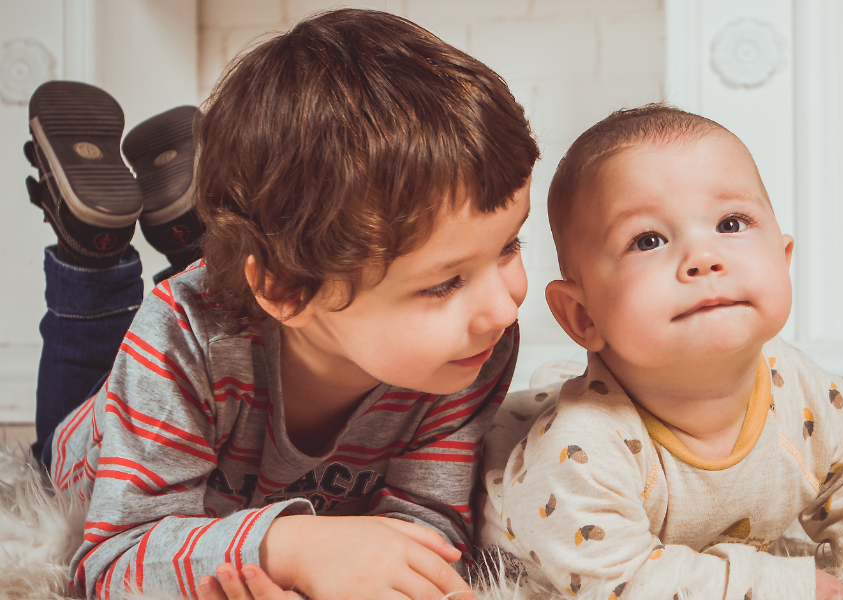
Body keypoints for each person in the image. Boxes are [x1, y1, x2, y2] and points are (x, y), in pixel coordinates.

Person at [24, 8, 538, 600]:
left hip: (243, 334)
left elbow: (429, 524)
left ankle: (204, 231)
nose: (503, 309)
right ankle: (93, 255)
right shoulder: (177, 338)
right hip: (98, 438)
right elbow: (109, 566)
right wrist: (286, 548)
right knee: (59, 432)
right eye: (444, 283)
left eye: (508, 246)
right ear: (288, 290)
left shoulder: (470, 351)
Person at [477, 105, 843, 600]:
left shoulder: (807, 393)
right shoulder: (578, 452)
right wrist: (786, 587)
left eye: (731, 224)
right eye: (648, 240)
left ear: (783, 258)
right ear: (582, 316)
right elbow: (623, 582)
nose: (704, 258)